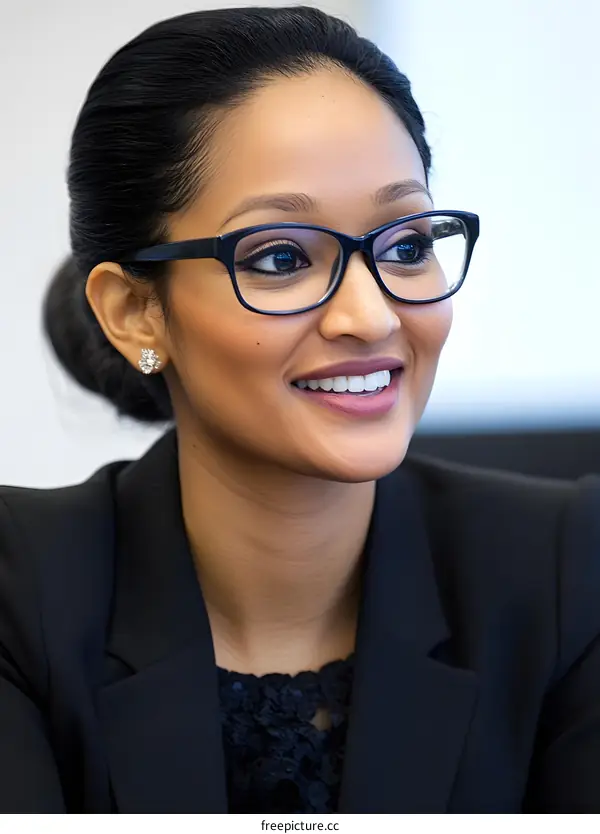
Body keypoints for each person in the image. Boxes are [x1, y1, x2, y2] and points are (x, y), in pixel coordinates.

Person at [0, 5, 598, 814]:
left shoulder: (569, 574)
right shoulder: (20, 592)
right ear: (137, 311)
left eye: (407, 245)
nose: (373, 316)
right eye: (281, 257)